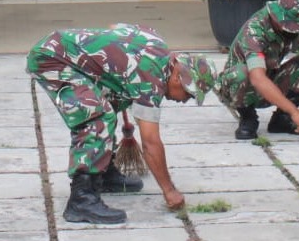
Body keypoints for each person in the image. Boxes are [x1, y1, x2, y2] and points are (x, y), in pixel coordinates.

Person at [27, 22, 216, 225]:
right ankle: (82, 198)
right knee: (98, 116)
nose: (183, 100)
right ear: (178, 77)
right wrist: (169, 190)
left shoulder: (156, 42)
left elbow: (115, 28)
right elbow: (151, 143)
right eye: (188, 95)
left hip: (65, 52)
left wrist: (117, 80)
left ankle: (104, 171)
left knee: (113, 101)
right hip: (52, 59)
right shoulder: (150, 81)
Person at [216, 0, 299, 140]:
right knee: (242, 73)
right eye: (292, 27)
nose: (294, 31)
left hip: (270, 79)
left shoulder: (286, 27)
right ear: (276, 17)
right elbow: (258, 79)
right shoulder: (254, 32)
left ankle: (281, 119)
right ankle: (247, 117)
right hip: (242, 88)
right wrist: (295, 112)